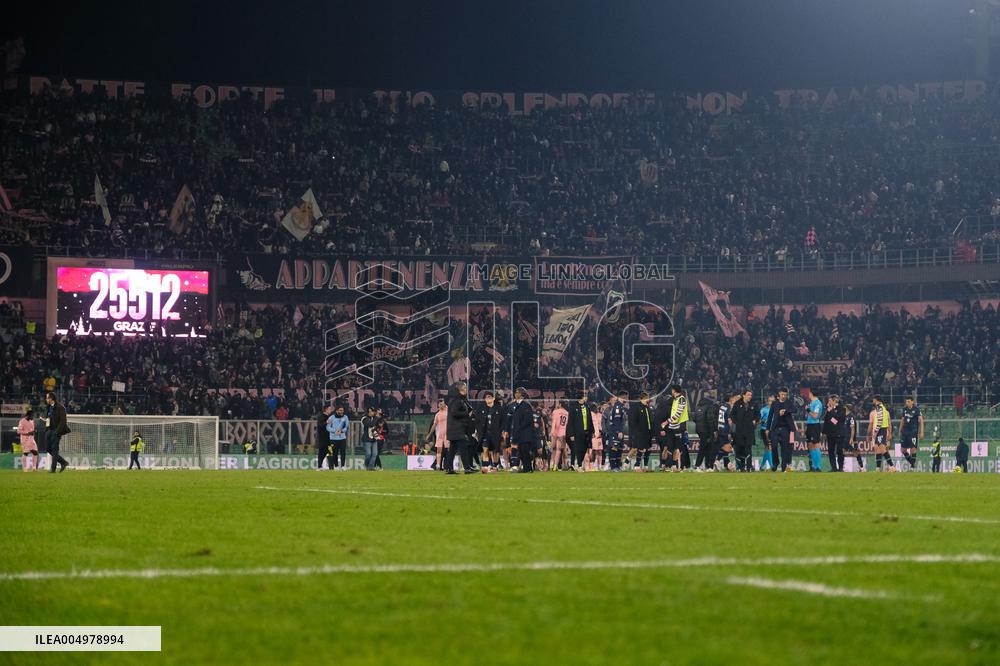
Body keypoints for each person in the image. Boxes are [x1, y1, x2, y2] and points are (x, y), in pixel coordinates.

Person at [445, 381, 476, 474]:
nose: (466, 390)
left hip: (454, 428)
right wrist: (467, 414)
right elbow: (454, 413)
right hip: (457, 428)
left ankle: (449, 468)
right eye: (465, 388)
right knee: (463, 448)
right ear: (460, 389)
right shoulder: (457, 400)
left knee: (452, 450)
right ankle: (467, 468)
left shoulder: (458, 399)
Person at [766, 387, 797, 472]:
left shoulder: (789, 403)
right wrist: (767, 428)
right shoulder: (774, 403)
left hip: (786, 429)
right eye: (782, 394)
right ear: (779, 394)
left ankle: (784, 467)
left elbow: (795, 410)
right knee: (774, 446)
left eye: (785, 395)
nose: (783, 396)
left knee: (785, 449)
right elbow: (770, 416)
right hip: (775, 429)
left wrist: (786, 411)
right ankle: (775, 463)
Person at [507, 388, 536, 472]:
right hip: (519, 433)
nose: (515, 394)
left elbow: (527, 420)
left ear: (522, 394)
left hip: (526, 433)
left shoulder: (526, 405)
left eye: (517, 392)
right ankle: (526, 468)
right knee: (522, 452)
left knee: (525, 451)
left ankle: (528, 468)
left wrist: (519, 429)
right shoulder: (516, 405)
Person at [476, 391, 505, 473]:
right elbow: (477, 421)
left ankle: (495, 466)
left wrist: (502, 430)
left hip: (496, 433)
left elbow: (503, 421)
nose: (487, 399)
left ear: (493, 398)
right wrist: (478, 431)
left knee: (495, 450)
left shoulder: (499, 409)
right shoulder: (481, 408)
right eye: (486, 397)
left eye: (489, 397)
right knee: (485, 449)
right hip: (485, 433)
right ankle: (486, 466)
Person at [565, 393, 595, 472]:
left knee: (585, 448)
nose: (586, 398)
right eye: (585, 396)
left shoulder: (587, 407)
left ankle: (580, 464)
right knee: (579, 449)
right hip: (577, 432)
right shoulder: (573, 407)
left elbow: (590, 419)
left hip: (587, 431)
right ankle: (579, 465)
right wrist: (571, 434)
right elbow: (570, 422)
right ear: (581, 398)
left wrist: (592, 430)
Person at [730, 389, 758, 472]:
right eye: (748, 395)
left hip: (749, 431)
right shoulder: (737, 404)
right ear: (744, 395)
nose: (750, 396)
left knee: (748, 449)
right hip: (739, 432)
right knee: (739, 450)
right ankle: (741, 468)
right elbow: (732, 415)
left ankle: (749, 467)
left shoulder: (754, 404)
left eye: (751, 395)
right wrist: (737, 422)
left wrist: (755, 420)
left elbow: (758, 414)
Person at [665, 385, 690, 472]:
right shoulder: (675, 399)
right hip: (674, 426)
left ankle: (680, 467)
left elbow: (678, 414)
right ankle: (674, 466)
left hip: (680, 425)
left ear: (674, 390)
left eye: (672, 390)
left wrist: (667, 421)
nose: (671, 391)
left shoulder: (681, 399)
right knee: (673, 447)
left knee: (679, 448)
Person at [44, 391, 70, 473]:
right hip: (49, 430)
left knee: (55, 450)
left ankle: (53, 469)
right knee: (48, 449)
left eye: (47, 398)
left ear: (51, 398)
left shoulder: (60, 407)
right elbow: (49, 418)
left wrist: (57, 432)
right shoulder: (48, 407)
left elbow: (63, 421)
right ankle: (63, 462)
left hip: (55, 431)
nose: (46, 399)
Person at [868, 396, 895, 472]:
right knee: (878, 449)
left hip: (880, 430)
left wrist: (876, 431)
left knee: (882, 449)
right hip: (882, 429)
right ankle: (878, 468)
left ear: (876, 400)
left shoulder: (879, 408)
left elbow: (880, 420)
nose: (873, 401)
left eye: (873, 399)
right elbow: (888, 422)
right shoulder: (884, 410)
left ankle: (892, 466)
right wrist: (889, 432)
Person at [692, 392, 718, 471]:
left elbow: (694, 418)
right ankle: (697, 466)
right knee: (704, 448)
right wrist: (713, 430)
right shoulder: (710, 406)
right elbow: (710, 418)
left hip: (699, 430)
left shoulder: (698, 406)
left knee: (707, 447)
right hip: (707, 430)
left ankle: (707, 466)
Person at [628, 392, 653, 472]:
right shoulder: (637, 407)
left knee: (646, 449)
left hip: (647, 432)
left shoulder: (647, 408)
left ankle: (643, 466)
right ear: (643, 398)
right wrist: (636, 431)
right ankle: (636, 466)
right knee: (639, 449)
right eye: (647, 398)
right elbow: (633, 421)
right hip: (639, 432)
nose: (648, 399)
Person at [603, 392, 628, 471]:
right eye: (626, 397)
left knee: (619, 448)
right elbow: (617, 420)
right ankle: (613, 467)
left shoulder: (621, 406)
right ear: (622, 397)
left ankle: (618, 466)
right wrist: (619, 431)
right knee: (614, 448)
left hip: (618, 431)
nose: (626, 399)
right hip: (615, 431)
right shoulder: (617, 407)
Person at [899, 397, 924, 471]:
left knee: (913, 449)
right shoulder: (905, 409)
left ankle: (912, 467)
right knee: (903, 450)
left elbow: (921, 420)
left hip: (913, 432)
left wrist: (921, 432)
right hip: (905, 432)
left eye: (909, 401)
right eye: (906, 401)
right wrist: (900, 430)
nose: (907, 403)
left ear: (912, 402)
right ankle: (912, 463)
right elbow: (903, 419)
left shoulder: (916, 410)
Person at [713, 393, 737, 471]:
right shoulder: (729, 408)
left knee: (725, 448)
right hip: (726, 430)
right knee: (727, 448)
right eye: (733, 398)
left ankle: (728, 465)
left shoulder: (722, 407)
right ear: (730, 399)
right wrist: (731, 431)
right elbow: (729, 420)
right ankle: (717, 461)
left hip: (720, 429)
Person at [822, 395, 845, 472]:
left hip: (839, 434)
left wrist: (831, 411)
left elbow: (839, 418)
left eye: (830, 401)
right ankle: (834, 468)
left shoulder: (841, 408)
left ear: (834, 401)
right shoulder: (828, 410)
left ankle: (841, 468)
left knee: (839, 451)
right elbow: (827, 420)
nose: (828, 402)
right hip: (830, 434)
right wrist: (824, 432)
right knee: (831, 451)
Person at [804, 388, 824, 472]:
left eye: (809, 393)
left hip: (815, 426)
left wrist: (808, 410)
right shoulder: (812, 403)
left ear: (811, 393)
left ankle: (818, 466)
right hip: (810, 425)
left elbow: (815, 416)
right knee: (810, 445)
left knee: (816, 445)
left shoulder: (818, 403)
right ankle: (813, 466)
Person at [325, 405, 350, 470]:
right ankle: (336, 466)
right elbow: (327, 427)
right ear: (336, 411)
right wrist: (334, 431)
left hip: (342, 438)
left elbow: (346, 427)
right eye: (340, 410)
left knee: (343, 452)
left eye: (342, 410)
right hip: (333, 438)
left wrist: (341, 431)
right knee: (334, 453)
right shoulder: (331, 418)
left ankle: (343, 466)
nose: (342, 412)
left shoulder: (345, 417)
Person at [428, 397, 449, 471]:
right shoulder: (437, 415)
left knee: (447, 451)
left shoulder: (448, 411)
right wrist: (430, 435)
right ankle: (438, 465)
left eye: (442, 403)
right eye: (439, 404)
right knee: (440, 451)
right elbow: (433, 425)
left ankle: (446, 466)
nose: (441, 404)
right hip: (439, 435)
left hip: (448, 434)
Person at [549, 400, 569, 471]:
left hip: (555, 432)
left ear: (560, 404)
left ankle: (551, 464)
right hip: (563, 433)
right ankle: (555, 466)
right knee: (558, 449)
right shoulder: (567, 413)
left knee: (553, 449)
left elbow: (554, 422)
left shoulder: (555, 411)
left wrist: (552, 432)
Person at [758, 394, 774, 471]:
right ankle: (772, 466)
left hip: (772, 430)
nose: (771, 402)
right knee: (769, 447)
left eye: (773, 401)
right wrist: (764, 421)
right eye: (770, 401)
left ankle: (761, 466)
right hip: (764, 430)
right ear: (767, 402)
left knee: (767, 449)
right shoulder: (764, 410)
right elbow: (758, 420)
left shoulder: (776, 410)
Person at [316, 405, 333, 470]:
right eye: (329, 409)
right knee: (321, 453)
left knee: (330, 453)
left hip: (329, 439)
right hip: (323, 439)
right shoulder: (321, 416)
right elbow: (320, 425)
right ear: (326, 409)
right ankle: (319, 466)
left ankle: (331, 468)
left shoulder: (329, 417)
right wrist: (326, 422)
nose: (330, 410)